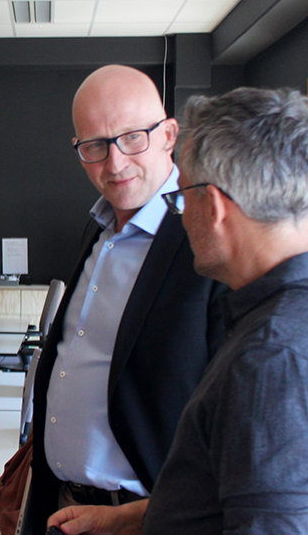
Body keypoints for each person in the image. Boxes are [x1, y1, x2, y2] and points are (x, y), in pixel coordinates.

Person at [49, 88, 308, 535]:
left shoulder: (276, 359)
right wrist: (129, 518)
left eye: (182, 196)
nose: (179, 213)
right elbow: (242, 490)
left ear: (213, 207)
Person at [28, 65, 226, 526]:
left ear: (169, 135)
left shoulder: (209, 238)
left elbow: (235, 416)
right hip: (62, 505)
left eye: (133, 137)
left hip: (145, 518)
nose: (114, 164)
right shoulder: (98, 230)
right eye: (95, 146)